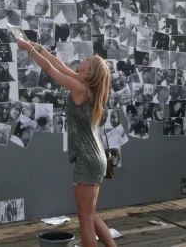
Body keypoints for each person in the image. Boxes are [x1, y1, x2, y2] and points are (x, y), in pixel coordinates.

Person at [15, 39, 113, 247]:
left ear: (88, 73)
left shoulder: (80, 89)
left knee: (85, 219)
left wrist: (29, 50)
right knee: (91, 216)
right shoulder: (85, 86)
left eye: (88, 60)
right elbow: (58, 64)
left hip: (87, 160)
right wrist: (36, 46)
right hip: (96, 159)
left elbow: (50, 69)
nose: (84, 58)